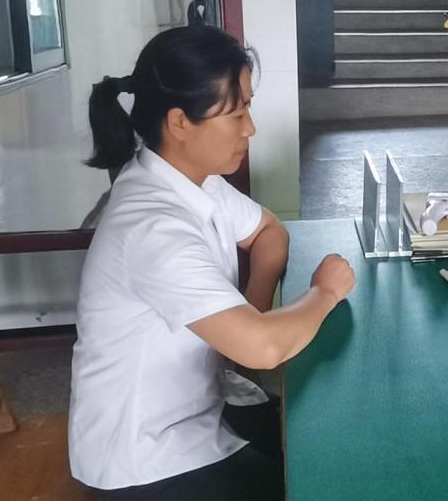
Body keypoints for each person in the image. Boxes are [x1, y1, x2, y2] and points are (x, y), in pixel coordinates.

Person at [69, 26, 356, 499]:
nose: (250, 128)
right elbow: (263, 349)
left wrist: (252, 308)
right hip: (145, 461)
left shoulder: (191, 181)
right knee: (323, 480)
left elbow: (269, 233)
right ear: (180, 122)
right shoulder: (153, 227)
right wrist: (324, 292)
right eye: (237, 112)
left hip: (198, 413)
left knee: (329, 450)